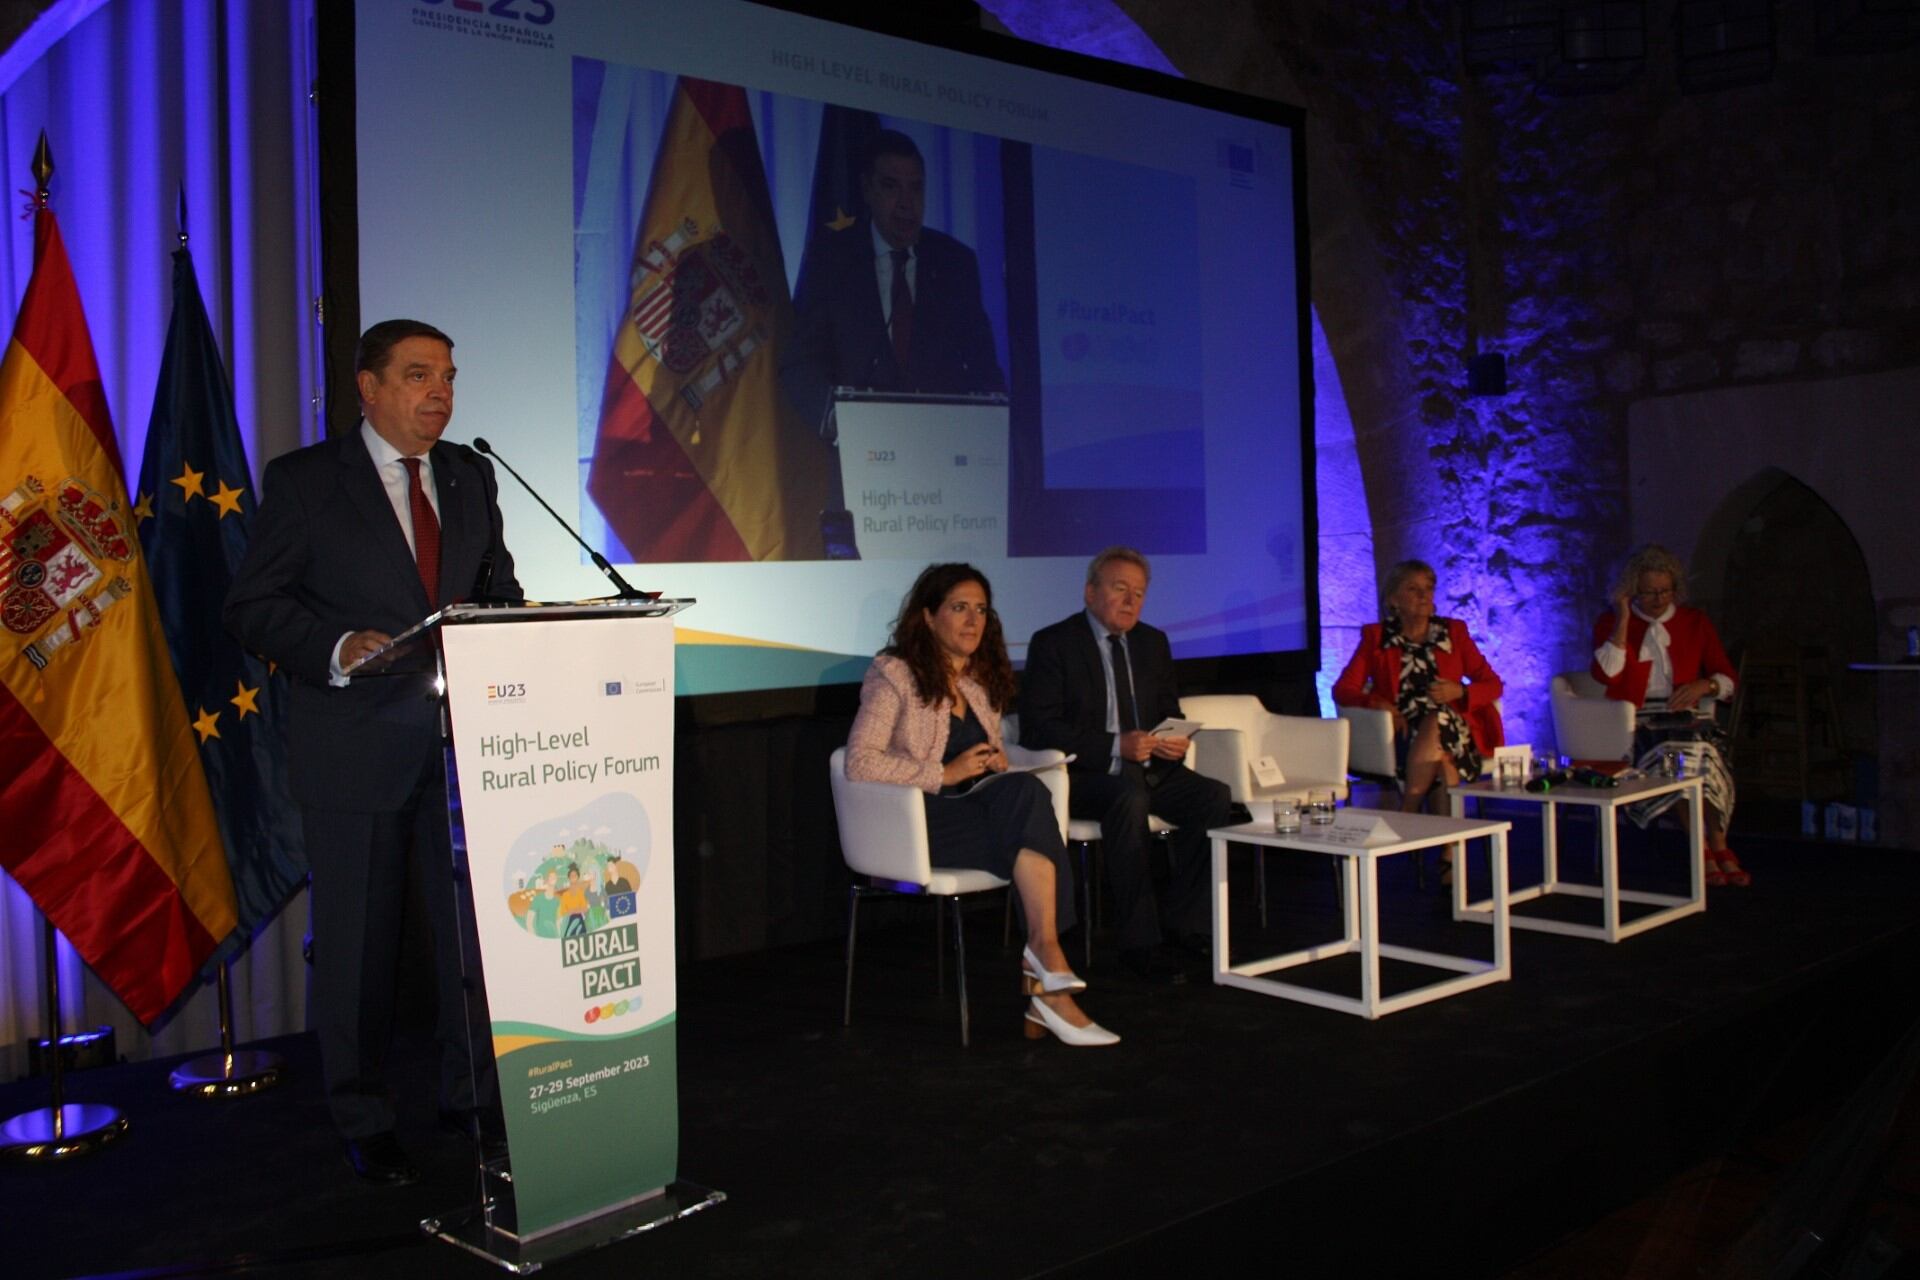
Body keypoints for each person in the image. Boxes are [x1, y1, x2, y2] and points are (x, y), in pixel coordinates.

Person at [225, 319, 521, 1184]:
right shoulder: (309, 482)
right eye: (420, 376)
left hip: (463, 746)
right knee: (358, 948)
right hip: (354, 747)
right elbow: (253, 605)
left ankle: (471, 1101)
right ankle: (363, 1114)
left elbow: (496, 591)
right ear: (368, 386)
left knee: (471, 941)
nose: (441, 395)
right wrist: (338, 643)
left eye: (450, 378)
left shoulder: (469, 476)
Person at [847, 563, 1116, 1046]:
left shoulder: (977, 682)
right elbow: (860, 761)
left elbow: (989, 760)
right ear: (928, 617)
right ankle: (1045, 968)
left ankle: (1047, 971)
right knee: (1029, 807)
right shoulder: (894, 674)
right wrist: (943, 774)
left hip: (976, 815)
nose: (974, 620)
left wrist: (995, 763)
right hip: (918, 822)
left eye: (981, 610)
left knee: (1024, 793)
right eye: (959, 608)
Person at [1019, 548, 1232, 984]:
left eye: (1139, 593)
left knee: (1214, 796)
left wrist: (1173, 742)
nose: (1131, 601)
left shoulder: (1153, 643)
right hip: (1083, 776)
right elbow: (1040, 729)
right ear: (1091, 592)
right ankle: (1140, 943)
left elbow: (1168, 709)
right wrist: (1116, 745)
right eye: (1121, 590)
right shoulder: (1054, 642)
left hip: (1149, 768)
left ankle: (1184, 923)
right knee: (1128, 797)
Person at [780, 129, 1005, 440]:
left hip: (940, 454)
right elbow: (800, 362)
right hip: (856, 457)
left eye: (916, 188)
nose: (906, 204)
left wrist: (989, 432)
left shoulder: (956, 263)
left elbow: (984, 368)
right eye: (891, 187)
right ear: (867, 190)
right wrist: (834, 419)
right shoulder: (831, 259)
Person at [1332, 559, 1504, 883]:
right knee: (1443, 766)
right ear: (1393, 599)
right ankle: (1448, 857)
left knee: (1438, 719)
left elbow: (1494, 685)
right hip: (1400, 738)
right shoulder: (1376, 638)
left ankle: (1407, 810)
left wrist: (1460, 692)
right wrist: (1376, 701)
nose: (1424, 596)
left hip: (1457, 730)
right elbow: (1343, 689)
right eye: (1413, 589)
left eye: (1428, 589)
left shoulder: (1454, 632)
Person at [1590, 544, 1747, 886]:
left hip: (1685, 717)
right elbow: (1606, 675)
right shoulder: (1614, 622)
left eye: (1665, 591)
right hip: (1637, 723)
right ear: (1634, 589)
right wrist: (1623, 616)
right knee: (1679, 757)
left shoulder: (1694, 622)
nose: (1659, 600)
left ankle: (1717, 845)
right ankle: (1703, 848)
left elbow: (1728, 679)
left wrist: (1705, 686)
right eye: (1649, 592)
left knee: (1704, 754)